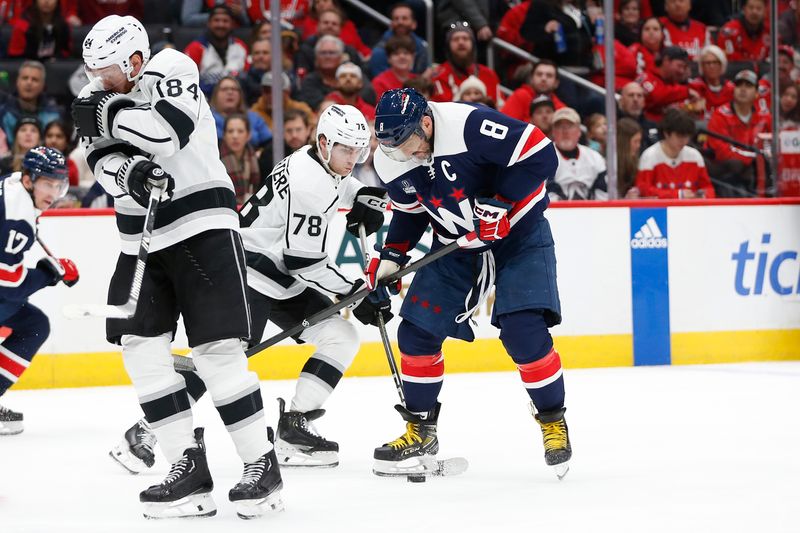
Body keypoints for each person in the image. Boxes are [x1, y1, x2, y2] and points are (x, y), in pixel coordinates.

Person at [73, 14, 281, 519]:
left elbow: (167, 133)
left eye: (107, 71)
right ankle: (186, 467)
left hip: (201, 226)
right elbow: (100, 160)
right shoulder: (92, 94)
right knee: (139, 348)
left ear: (135, 60)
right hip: (139, 237)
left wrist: (110, 111)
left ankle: (261, 465)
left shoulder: (173, 65)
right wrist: (127, 169)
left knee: (216, 353)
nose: (96, 81)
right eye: (93, 72)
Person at [111, 104, 393, 470]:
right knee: (222, 359)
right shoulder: (311, 184)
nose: (352, 158)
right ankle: (144, 431)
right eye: (345, 149)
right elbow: (303, 261)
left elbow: (338, 183)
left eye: (359, 150)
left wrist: (361, 195)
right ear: (325, 142)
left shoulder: (314, 158)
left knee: (340, 336)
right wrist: (356, 288)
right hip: (247, 274)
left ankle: (294, 428)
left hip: (276, 276)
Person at [367, 88, 572, 478]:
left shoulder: (468, 124)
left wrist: (501, 201)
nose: (404, 154)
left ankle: (552, 421)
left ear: (425, 123)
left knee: (523, 331)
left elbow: (542, 153)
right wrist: (393, 254)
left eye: (408, 143)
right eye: (393, 149)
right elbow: (412, 212)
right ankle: (420, 430)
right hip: (457, 244)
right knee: (415, 334)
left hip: (519, 233)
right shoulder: (392, 156)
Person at [0, 146, 78, 435]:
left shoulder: (12, 184)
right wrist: (48, 274)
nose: (53, 192)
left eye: (59, 185)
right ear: (30, 180)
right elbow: (7, 283)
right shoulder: (16, 218)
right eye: (47, 183)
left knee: (33, 323)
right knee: (22, 315)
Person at [705, 69, 772, 197]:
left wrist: (759, 159)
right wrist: (752, 158)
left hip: (756, 168)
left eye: (748, 86)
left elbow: (773, 142)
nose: (742, 89)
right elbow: (721, 151)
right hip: (726, 169)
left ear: (757, 93)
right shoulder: (721, 114)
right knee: (736, 164)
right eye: (739, 85)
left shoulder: (765, 116)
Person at [636, 108, 714, 198]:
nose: (684, 141)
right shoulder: (649, 156)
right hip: (660, 211)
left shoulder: (695, 156)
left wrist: (703, 195)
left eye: (687, 137)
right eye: (679, 136)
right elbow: (643, 190)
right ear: (666, 133)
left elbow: (708, 188)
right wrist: (677, 195)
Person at [183, 5, 249, 97]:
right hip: (205, 104)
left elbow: (247, 80)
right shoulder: (195, 48)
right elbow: (187, 81)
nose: (221, 25)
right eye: (216, 20)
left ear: (232, 24)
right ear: (209, 23)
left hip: (236, 104)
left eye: (225, 21)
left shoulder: (240, 46)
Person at [430, 21, 501, 106]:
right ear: (448, 46)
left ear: (473, 45)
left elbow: (500, 107)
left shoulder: (489, 75)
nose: (461, 42)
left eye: (465, 38)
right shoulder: (438, 75)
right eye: (455, 39)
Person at [548, 107, 608, 201]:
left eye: (570, 126)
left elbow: (603, 195)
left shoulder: (595, 158)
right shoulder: (544, 157)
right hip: (555, 213)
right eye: (560, 126)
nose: (565, 131)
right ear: (553, 132)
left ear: (579, 131)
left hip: (592, 213)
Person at [0, 60, 62, 145]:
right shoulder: (3, 113)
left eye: (35, 80)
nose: (29, 83)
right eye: (25, 78)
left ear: (42, 85)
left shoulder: (53, 114)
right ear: (17, 82)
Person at [636, 45, 701, 122]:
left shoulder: (673, 84)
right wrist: (687, 92)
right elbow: (657, 96)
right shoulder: (646, 77)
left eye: (684, 67)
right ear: (666, 61)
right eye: (679, 66)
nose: (682, 71)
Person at [209, 76, 272, 149]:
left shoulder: (254, 118)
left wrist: (263, 153)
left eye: (234, 89)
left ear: (240, 94)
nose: (230, 92)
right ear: (215, 95)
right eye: (224, 89)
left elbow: (269, 143)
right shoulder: (208, 118)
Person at [368, 2, 430, 77]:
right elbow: (383, 84)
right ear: (391, 24)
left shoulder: (421, 47)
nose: (400, 22)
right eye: (396, 19)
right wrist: (421, 79)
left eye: (404, 18)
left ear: (414, 24)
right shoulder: (379, 51)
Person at [500, 60, 565, 124]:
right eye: (539, 74)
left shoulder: (561, 108)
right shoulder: (520, 96)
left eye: (549, 75)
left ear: (556, 83)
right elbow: (504, 124)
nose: (543, 78)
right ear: (531, 79)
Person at [6, 0, 71, 60]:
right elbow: (15, 55)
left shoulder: (63, 25)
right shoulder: (23, 26)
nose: (46, 1)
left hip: (55, 67)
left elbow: (66, 52)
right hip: (28, 67)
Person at [220, 114, 259, 203]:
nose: (235, 136)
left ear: (248, 135)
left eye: (240, 131)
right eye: (230, 131)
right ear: (224, 135)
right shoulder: (216, 158)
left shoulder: (254, 157)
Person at [689, 45, 734, 120]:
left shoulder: (731, 88)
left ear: (722, 65)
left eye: (715, 62)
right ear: (702, 66)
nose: (711, 66)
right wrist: (693, 108)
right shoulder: (694, 87)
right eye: (707, 63)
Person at [371, 35, 417, 100]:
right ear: (389, 59)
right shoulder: (379, 83)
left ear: (413, 57)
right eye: (396, 53)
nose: (402, 57)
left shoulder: (418, 80)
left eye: (406, 53)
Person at [617, 81, 658, 151]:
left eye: (639, 96)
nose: (635, 99)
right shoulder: (613, 126)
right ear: (621, 100)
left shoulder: (653, 127)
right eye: (631, 95)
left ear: (644, 102)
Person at [616, 117, 643, 197]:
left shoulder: (638, 162)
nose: (638, 146)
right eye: (635, 141)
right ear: (624, 141)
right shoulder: (610, 165)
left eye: (639, 141)